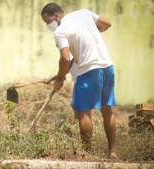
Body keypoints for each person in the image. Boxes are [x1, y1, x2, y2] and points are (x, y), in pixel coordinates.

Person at [41, 3, 117, 159]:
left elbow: (65, 58)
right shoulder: (84, 13)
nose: (48, 25)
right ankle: (113, 152)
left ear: (56, 15)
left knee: (83, 113)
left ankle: (87, 154)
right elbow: (107, 23)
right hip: (107, 67)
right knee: (107, 110)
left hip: (88, 72)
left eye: (48, 21)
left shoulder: (61, 31)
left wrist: (60, 80)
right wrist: (56, 76)